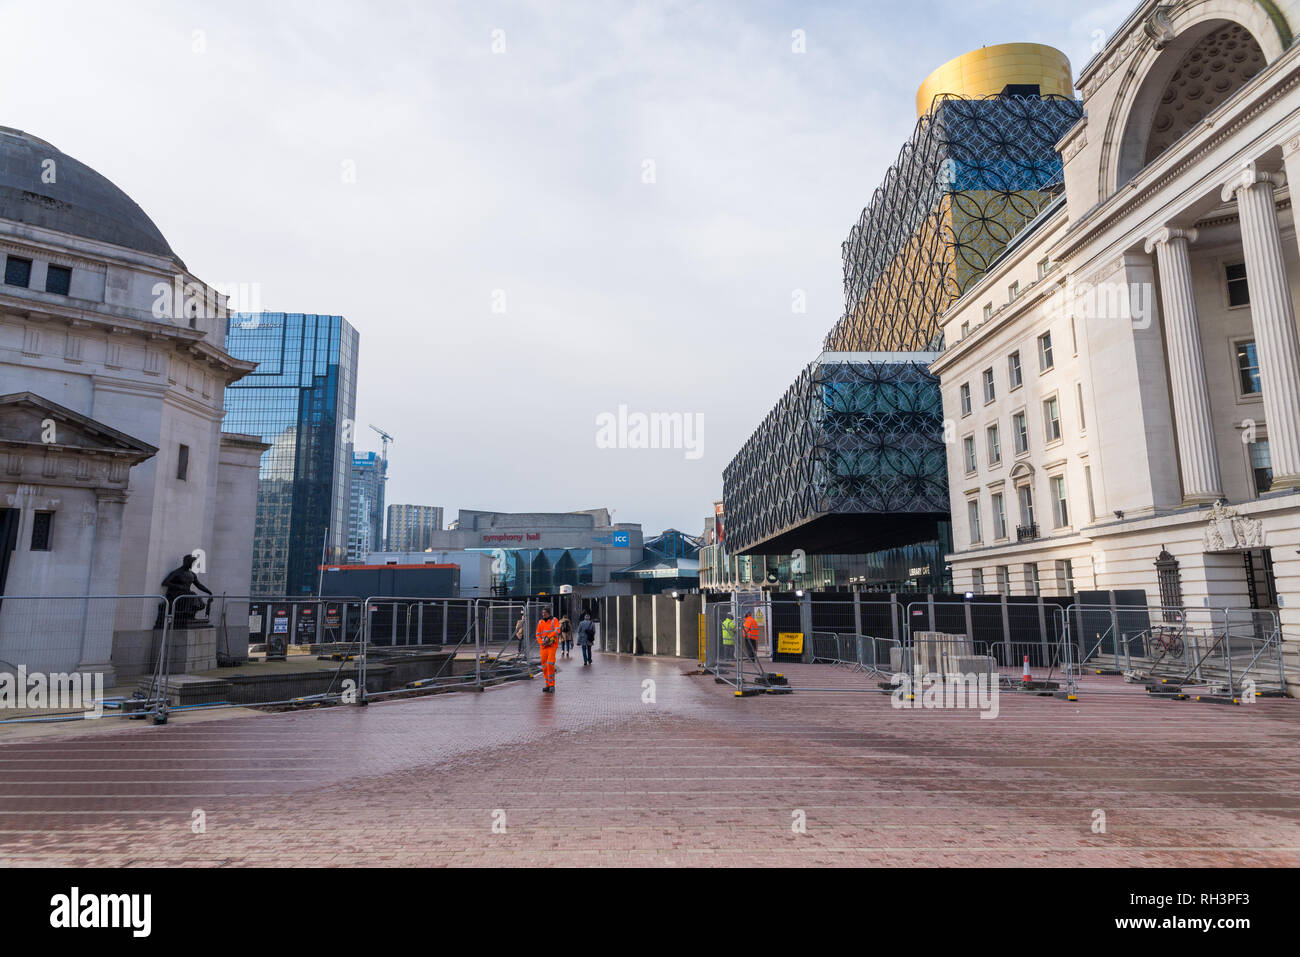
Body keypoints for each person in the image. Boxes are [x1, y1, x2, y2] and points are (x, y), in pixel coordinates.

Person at [156, 554, 213, 629]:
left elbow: (199, 585)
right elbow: (165, 582)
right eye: (191, 562)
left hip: (186, 594)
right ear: (186, 562)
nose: (192, 564)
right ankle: (187, 616)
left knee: (195, 597)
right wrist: (178, 586)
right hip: (175, 594)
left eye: (193, 562)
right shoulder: (177, 572)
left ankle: (190, 616)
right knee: (192, 595)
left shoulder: (192, 574)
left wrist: (209, 592)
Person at [536, 609, 559, 693]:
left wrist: (549, 637)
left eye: (545, 613)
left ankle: (552, 685)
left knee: (550, 664)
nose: (543, 614)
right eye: (542, 612)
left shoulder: (554, 620)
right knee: (544, 666)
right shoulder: (540, 622)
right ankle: (547, 685)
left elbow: (557, 630)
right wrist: (542, 642)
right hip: (543, 647)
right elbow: (537, 634)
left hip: (552, 646)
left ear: (549, 613)